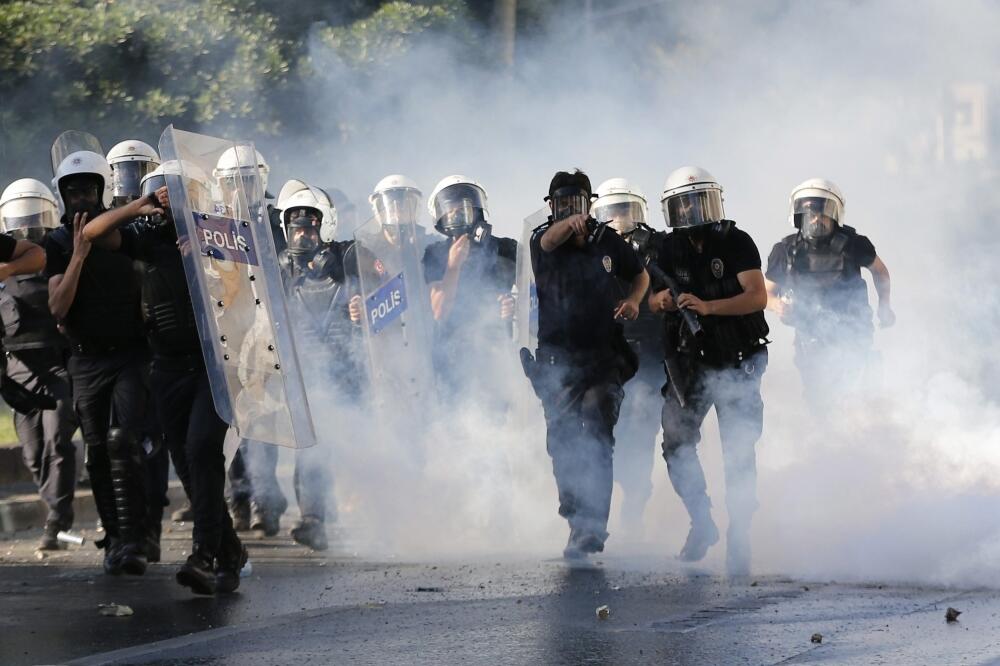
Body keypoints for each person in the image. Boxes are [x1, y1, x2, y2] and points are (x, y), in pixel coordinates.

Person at [82, 161, 247, 594]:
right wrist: (138, 206)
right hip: (168, 367)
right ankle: (230, 552)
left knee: (203, 450)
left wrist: (210, 260)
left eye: (178, 191)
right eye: (162, 192)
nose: (169, 199)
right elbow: (91, 234)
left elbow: (248, 294)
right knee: (189, 469)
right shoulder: (147, 239)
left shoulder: (221, 236)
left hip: (216, 364)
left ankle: (204, 556)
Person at [647, 166, 769, 577]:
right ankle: (702, 521)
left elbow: (757, 297)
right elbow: (648, 298)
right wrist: (661, 301)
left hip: (738, 357)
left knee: (739, 448)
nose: (692, 211)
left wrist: (709, 307)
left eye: (698, 201)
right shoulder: (665, 249)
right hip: (691, 363)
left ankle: (741, 531)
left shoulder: (736, 242)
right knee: (676, 443)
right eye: (683, 204)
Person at [523, 169, 648, 559]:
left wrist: (634, 301)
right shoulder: (543, 240)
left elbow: (640, 274)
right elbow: (547, 241)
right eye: (561, 203)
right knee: (562, 441)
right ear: (552, 206)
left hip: (603, 358)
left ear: (589, 203)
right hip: (558, 361)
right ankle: (575, 516)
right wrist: (566, 225)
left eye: (576, 202)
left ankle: (593, 527)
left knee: (597, 435)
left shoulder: (607, 240)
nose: (569, 209)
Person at [45, 131, 149, 575]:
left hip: (129, 353)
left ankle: (135, 539)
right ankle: (116, 539)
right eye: (73, 190)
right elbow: (57, 306)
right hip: (86, 359)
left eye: (89, 188)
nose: (81, 197)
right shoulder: (56, 243)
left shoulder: (122, 232)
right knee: (96, 450)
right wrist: (78, 256)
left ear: (103, 189)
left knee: (123, 440)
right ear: (62, 195)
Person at [764, 178, 894, 409]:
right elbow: (766, 293)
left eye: (823, 213)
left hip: (852, 331)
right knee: (819, 400)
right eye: (810, 213)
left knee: (854, 396)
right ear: (799, 215)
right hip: (810, 337)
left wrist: (884, 306)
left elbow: (880, 272)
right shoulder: (785, 251)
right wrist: (778, 306)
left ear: (834, 214)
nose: (816, 219)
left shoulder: (855, 244)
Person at [0, 178, 72, 550]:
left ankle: (57, 519)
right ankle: (55, 510)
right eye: (20, 217)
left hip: (58, 365)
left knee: (58, 442)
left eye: (35, 216)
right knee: (32, 452)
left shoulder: (56, 256)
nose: (28, 225)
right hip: (18, 371)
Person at [592, 177, 662, 535]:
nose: (620, 220)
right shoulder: (590, 253)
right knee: (606, 429)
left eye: (626, 210)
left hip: (648, 356)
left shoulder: (656, 249)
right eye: (612, 212)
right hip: (607, 356)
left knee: (642, 423)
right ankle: (605, 503)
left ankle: (635, 503)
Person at [421, 175, 516, 399]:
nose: (457, 210)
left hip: (496, 354)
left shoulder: (505, 249)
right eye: (450, 206)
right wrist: (453, 266)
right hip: (452, 356)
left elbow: (534, 295)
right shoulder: (435, 253)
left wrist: (513, 305)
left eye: (464, 203)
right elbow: (438, 310)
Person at [106, 140, 160, 208]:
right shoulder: (108, 206)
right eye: (123, 168)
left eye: (134, 168)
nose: (128, 172)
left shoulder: (155, 203)